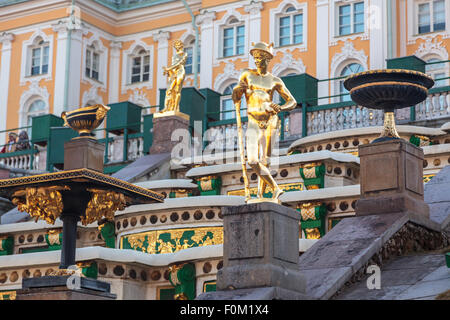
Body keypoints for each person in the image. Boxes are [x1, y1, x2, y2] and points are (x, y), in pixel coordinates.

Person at [232, 42, 297, 203]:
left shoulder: (275, 81)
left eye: (260, 57)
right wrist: (236, 90)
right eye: (255, 57)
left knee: (265, 160)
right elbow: (236, 99)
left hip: (271, 120)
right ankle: (275, 187)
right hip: (253, 120)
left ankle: (261, 196)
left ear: (268, 59)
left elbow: (292, 102)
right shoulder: (246, 74)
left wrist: (280, 108)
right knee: (253, 160)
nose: (257, 60)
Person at [161, 40, 187, 113]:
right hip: (174, 72)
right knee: (169, 90)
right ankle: (167, 107)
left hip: (180, 72)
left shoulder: (184, 54)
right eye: (175, 45)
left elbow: (180, 63)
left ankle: (175, 108)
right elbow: (173, 65)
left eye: (178, 44)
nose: (177, 46)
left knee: (177, 90)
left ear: (181, 45)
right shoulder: (174, 56)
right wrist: (168, 72)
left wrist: (169, 68)